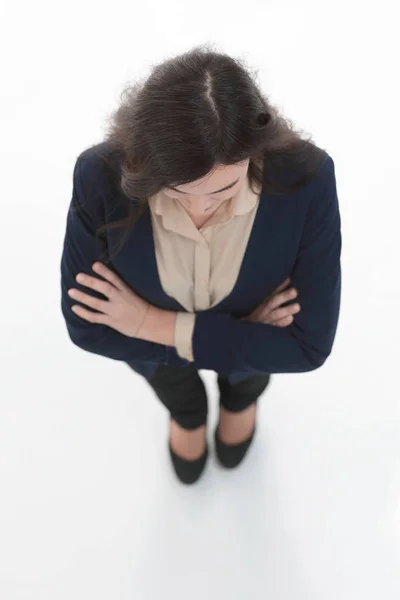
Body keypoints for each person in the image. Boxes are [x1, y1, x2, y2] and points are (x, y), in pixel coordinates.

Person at [60, 45, 342, 484]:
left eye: (223, 189)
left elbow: (309, 347)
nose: (200, 208)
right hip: (200, 353)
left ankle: (239, 400)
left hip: (240, 361)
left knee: (248, 377)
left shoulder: (307, 178)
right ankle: (188, 413)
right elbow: (86, 327)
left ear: (257, 151)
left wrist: (147, 322)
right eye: (177, 190)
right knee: (177, 383)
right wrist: (242, 332)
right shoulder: (99, 174)